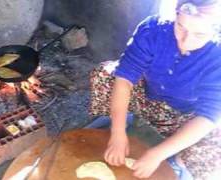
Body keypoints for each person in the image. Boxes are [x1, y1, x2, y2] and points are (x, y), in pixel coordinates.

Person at [89, 0, 221, 179]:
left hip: (183, 116)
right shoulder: (154, 30)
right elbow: (125, 78)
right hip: (147, 99)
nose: (186, 41)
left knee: (216, 148)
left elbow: (208, 116)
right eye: (181, 27)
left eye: (199, 35)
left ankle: (176, 163)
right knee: (106, 75)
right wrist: (117, 133)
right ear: (175, 14)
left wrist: (157, 154)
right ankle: (121, 121)